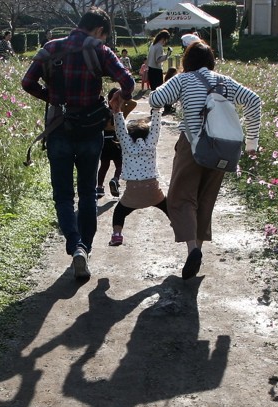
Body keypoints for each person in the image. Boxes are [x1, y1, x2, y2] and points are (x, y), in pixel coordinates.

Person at [21, 7, 135, 280]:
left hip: (58, 129)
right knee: (86, 193)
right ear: (99, 31)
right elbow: (128, 81)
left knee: (62, 195)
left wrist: (51, 97)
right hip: (90, 132)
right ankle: (85, 247)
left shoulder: (51, 47)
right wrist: (119, 95)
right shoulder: (100, 51)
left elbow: (27, 82)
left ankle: (75, 248)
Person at [149, 41, 261, 279]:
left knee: (181, 198)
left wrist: (174, 83)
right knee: (205, 199)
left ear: (187, 61)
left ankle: (192, 250)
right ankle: (198, 248)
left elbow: (156, 100)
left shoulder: (183, 79)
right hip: (221, 148)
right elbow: (254, 100)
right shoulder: (225, 82)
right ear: (211, 60)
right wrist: (251, 143)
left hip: (193, 145)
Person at [106, 92, 169, 247]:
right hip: (153, 191)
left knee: (119, 212)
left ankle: (117, 235)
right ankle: (179, 225)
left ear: (130, 135)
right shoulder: (150, 144)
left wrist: (117, 111)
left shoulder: (126, 145)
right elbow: (155, 128)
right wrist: (156, 110)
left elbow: (120, 129)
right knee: (168, 207)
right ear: (147, 135)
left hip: (132, 192)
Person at [98, 87, 137, 199]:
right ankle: (115, 179)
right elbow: (133, 103)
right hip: (117, 139)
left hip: (104, 139)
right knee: (120, 165)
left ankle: (99, 188)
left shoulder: (103, 109)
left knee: (104, 165)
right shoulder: (122, 109)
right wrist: (123, 97)